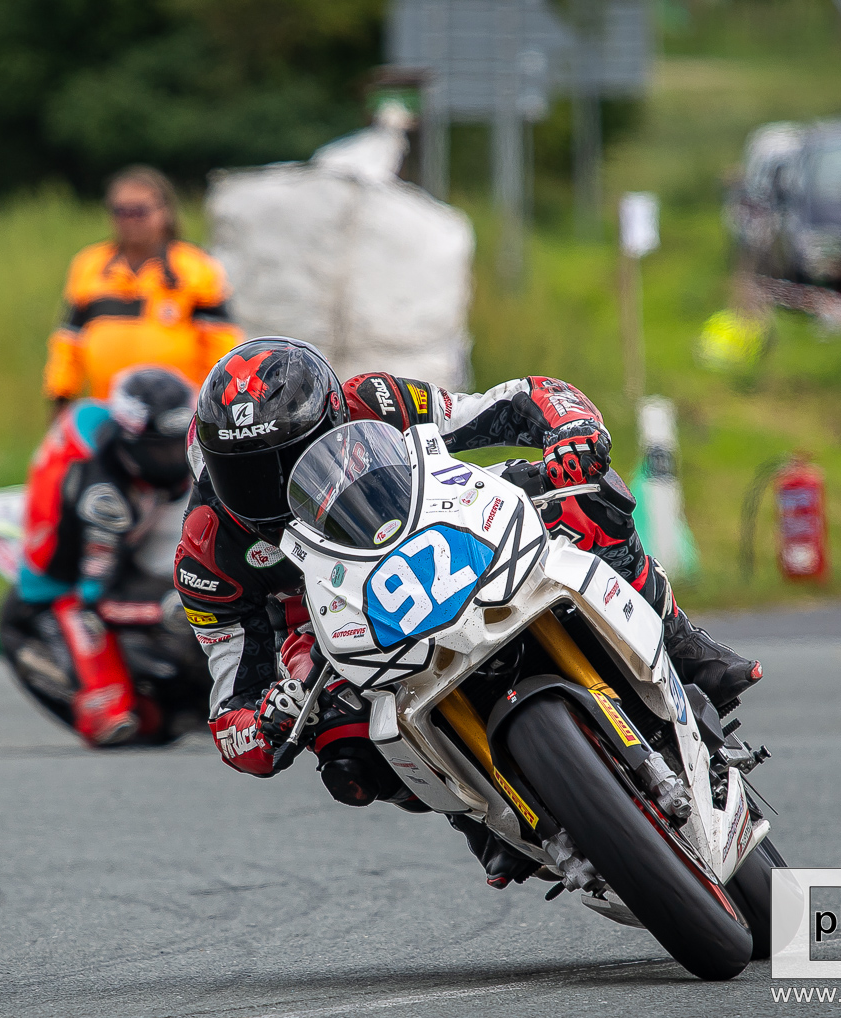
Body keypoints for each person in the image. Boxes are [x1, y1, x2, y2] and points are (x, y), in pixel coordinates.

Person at [174, 337, 763, 886]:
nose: (275, 486)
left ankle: (678, 639)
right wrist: (266, 721)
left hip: (441, 525)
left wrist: (570, 430)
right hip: (330, 627)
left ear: (334, 419)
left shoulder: (375, 401)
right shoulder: (208, 550)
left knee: (586, 497)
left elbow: (511, 403)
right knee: (344, 755)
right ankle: (474, 813)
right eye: (247, 476)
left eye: (292, 458)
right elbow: (230, 711)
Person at [0, 365, 208, 747]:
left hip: (123, 558)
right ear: (131, 440)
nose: (175, 458)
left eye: (180, 443)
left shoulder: (136, 461)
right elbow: (97, 598)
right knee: (112, 722)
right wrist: (167, 611)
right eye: (161, 448)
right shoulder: (104, 500)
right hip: (63, 591)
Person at [43, 165, 243, 411]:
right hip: (108, 409)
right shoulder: (89, 265)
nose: (130, 221)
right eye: (121, 212)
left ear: (165, 211)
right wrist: (61, 396)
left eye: (140, 211)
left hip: (178, 411)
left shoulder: (196, 267)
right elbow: (69, 342)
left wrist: (221, 404)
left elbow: (221, 343)